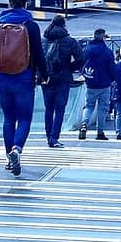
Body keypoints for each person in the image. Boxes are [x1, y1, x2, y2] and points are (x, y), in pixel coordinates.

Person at [0, 0, 48, 176]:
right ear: (26, 3)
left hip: (1, 78)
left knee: (9, 119)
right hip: (24, 77)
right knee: (25, 118)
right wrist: (44, 75)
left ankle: (9, 157)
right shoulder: (31, 26)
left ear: (9, 3)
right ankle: (17, 149)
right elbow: (38, 54)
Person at [40, 15, 82, 148]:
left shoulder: (43, 40)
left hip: (46, 78)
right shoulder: (69, 41)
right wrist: (70, 68)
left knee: (48, 109)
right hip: (63, 78)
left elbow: (36, 59)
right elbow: (81, 58)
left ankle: (48, 136)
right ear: (64, 25)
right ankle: (54, 137)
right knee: (60, 109)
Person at [80, 28, 116, 141]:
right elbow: (112, 68)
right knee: (102, 108)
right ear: (103, 37)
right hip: (104, 84)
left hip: (90, 82)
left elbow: (81, 63)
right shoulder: (107, 52)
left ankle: (84, 124)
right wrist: (113, 79)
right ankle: (100, 132)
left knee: (89, 106)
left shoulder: (87, 49)